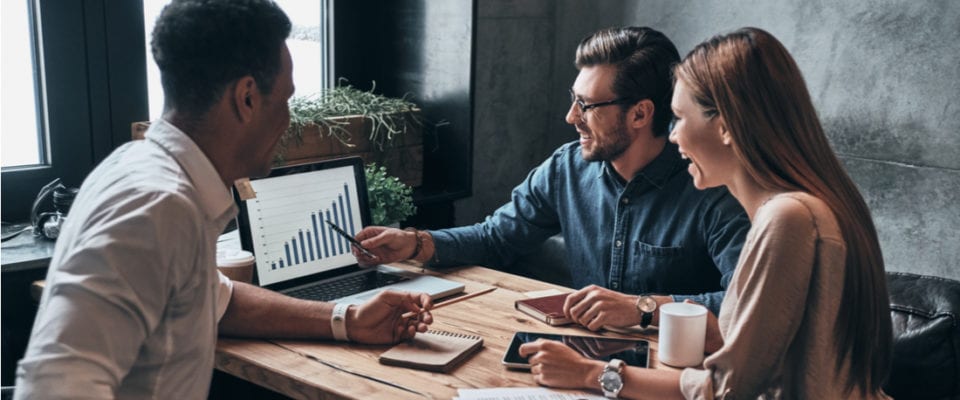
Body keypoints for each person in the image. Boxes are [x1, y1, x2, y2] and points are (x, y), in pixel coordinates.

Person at [14, 1, 433, 398]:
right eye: (285, 100)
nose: (289, 121)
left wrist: (348, 319)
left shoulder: (156, 176)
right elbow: (53, 386)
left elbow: (219, 301)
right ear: (246, 97)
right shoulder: (155, 207)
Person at [519, 27, 893, 399]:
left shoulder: (788, 219)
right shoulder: (801, 209)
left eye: (679, 118)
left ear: (726, 126)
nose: (674, 136)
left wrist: (592, 374)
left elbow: (727, 389)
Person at [355, 27, 750, 331]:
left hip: (676, 375)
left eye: (586, 105)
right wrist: (416, 243)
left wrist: (642, 308)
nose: (571, 116)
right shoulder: (567, 168)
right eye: (573, 99)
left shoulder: (711, 187)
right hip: (580, 361)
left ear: (640, 115)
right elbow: (497, 238)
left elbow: (745, 305)